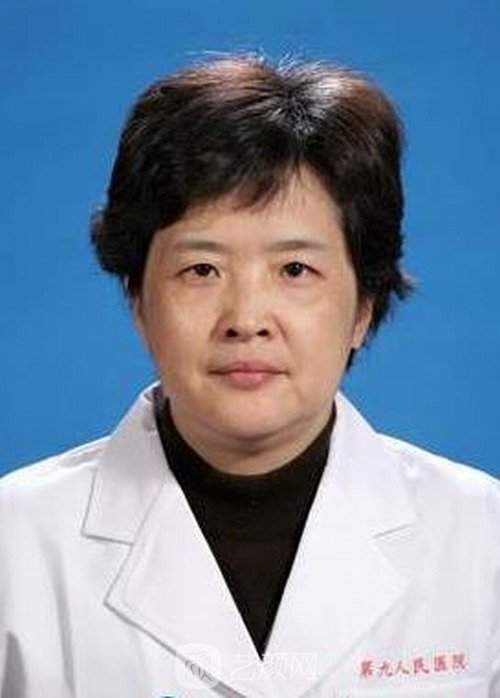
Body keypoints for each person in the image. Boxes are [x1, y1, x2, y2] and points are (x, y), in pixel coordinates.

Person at [1, 52, 499, 698]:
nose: (246, 320)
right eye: (201, 270)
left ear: (364, 306)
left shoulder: (482, 539)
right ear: (138, 302)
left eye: (295, 270)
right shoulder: (15, 546)